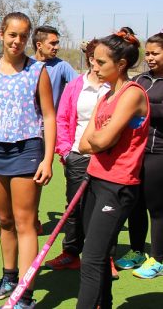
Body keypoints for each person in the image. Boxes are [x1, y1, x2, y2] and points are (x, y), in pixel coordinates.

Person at [0, 12, 55, 308]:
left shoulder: (37, 70)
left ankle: (25, 293)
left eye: (23, 36)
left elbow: (49, 116)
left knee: (25, 222)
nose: (17, 41)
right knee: (4, 221)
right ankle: (9, 277)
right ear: (2, 34)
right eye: (12, 35)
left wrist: (48, 159)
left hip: (27, 150)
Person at [77, 31, 149, 307]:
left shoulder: (132, 94)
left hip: (118, 186)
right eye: (93, 61)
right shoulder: (105, 96)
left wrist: (101, 138)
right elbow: (85, 143)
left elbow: (102, 139)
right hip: (94, 179)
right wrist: (100, 139)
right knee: (96, 254)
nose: (93, 67)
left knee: (93, 260)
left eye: (100, 62)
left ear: (120, 64)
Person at [45, 40, 109, 271]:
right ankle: (71, 253)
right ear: (91, 59)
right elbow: (61, 119)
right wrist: (65, 151)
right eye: (98, 59)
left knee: (104, 209)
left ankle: (105, 257)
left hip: (107, 159)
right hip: (77, 156)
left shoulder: (116, 88)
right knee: (74, 207)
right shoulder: (74, 86)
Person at [117, 33, 163, 279]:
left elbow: (142, 107)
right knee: (135, 205)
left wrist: (139, 106)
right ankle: (136, 250)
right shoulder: (142, 79)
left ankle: (158, 258)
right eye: (148, 53)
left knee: (157, 209)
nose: (150, 58)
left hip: (159, 153)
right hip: (136, 153)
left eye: (155, 53)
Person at [32, 25, 78, 109]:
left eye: (57, 43)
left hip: (52, 121)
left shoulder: (62, 66)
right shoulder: (26, 66)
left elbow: (80, 86)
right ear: (39, 45)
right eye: (53, 43)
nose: (57, 47)